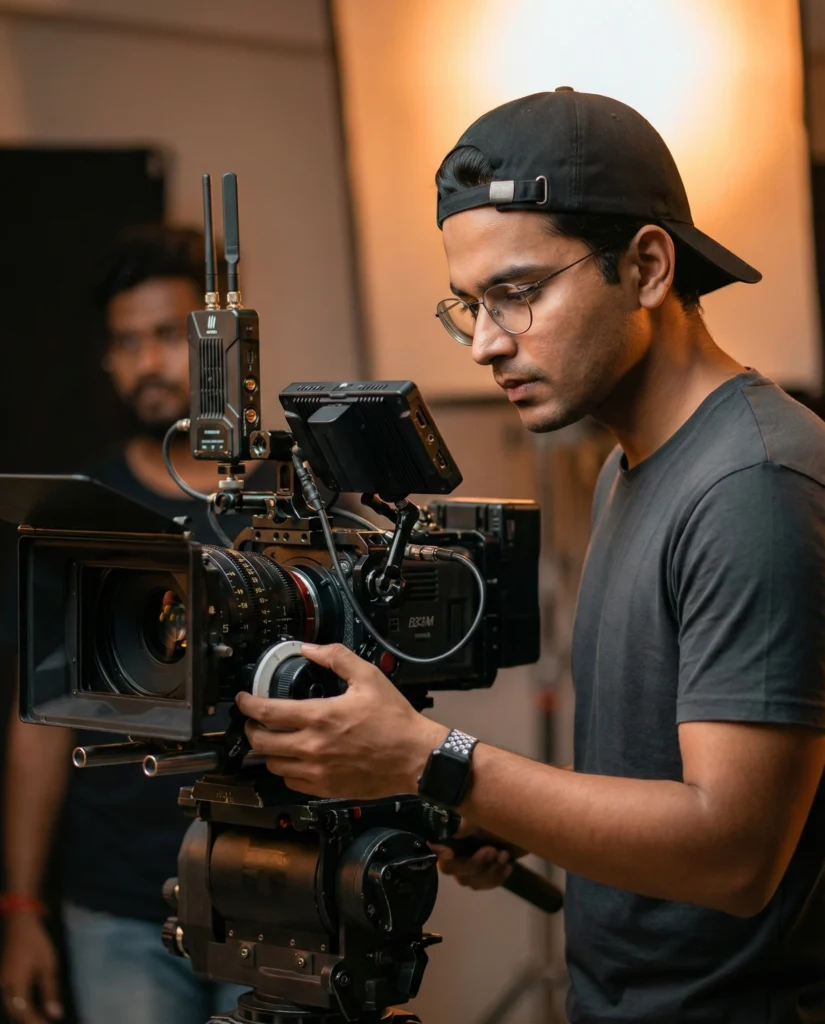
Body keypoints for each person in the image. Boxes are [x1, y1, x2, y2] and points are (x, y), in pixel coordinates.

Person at [236, 89, 825, 1023]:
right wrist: (482, 800)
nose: (482, 344)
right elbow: (652, 795)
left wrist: (437, 758)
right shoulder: (631, 471)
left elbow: (732, 854)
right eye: (465, 306)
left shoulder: (751, 484)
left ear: (645, 267)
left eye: (515, 295)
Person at [0, 227, 254, 1024]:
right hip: (115, 904)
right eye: (125, 343)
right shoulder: (76, 514)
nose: (147, 362)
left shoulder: (287, 503)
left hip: (278, 896)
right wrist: (20, 907)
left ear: (213, 346)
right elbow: (39, 722)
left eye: (166, 337)